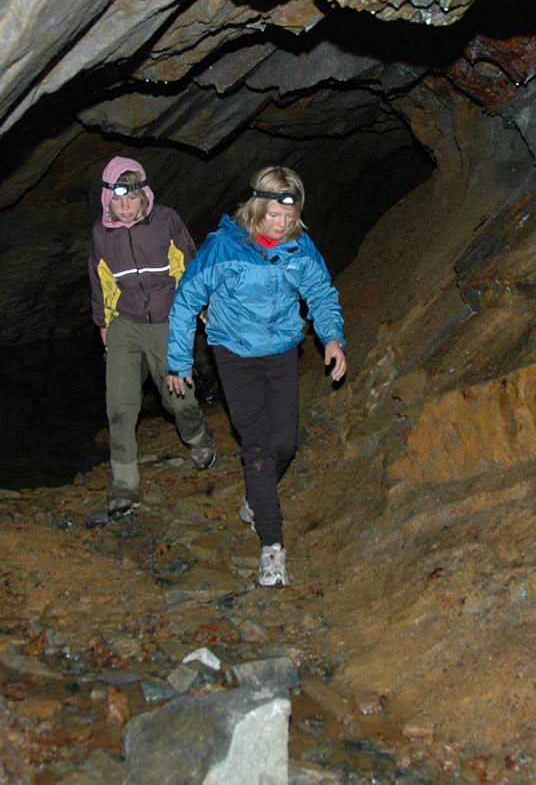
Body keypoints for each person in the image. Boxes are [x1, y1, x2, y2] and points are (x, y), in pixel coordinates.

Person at [165, 166, 346, 587]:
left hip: (282, 351)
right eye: (274, 216)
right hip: (235, 353)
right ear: (256, 208)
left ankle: (254, 496)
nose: (282, 225)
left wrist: (332, 338)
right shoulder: (222, 248)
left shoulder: (301, 247)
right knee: (260, 446)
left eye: (290, 217)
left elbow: (320, 293)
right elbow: (187, 300)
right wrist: (179, 361)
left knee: (285, 444)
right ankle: (272, 548)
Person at [89, 155, 216, 514]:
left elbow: (191, 266)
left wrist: (201, 311)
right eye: (118, 200)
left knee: (178, 398)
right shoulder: (101, 235)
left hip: (167, 321)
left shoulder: (166, 221)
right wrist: (102, 323)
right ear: (107, 200)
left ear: (144, 195)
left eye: (132, 198)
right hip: (124, 326)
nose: (126, 207)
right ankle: (124, 485)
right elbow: (99, 280)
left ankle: (198, 437)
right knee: (120, 405)